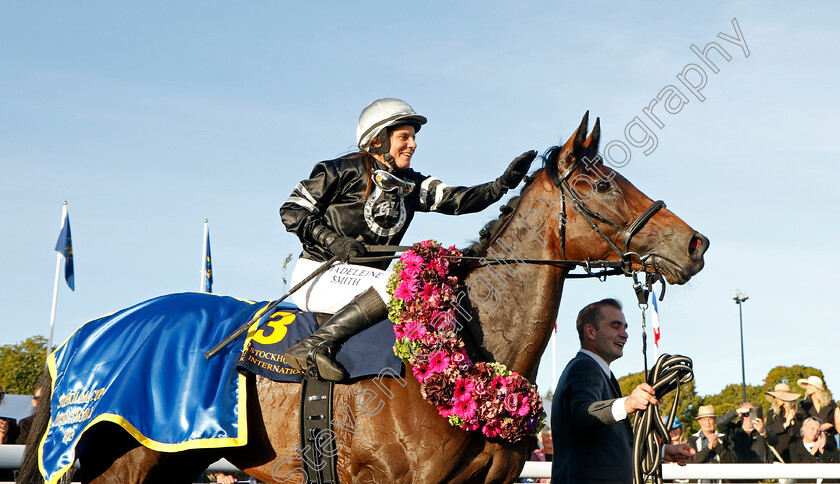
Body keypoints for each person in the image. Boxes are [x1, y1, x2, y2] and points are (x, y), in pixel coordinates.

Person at [280, 97, 537, 381]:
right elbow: (292, 210)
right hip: (318, 273)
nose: (412, 144)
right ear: (377, 139)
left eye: (413, 137)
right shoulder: (339, 170)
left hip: (363, 285)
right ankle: (312, 346)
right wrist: (333, 242)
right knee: (399, 286)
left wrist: (500, 185)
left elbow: (456, 199)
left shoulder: (412, 183)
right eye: (404, 137)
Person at [551, 298, 695, 483]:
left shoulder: (602, 373)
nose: (625, 334)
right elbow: (583, 414)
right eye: (615, 326)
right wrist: (627, 404)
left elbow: (611, 444)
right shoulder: (584, 367)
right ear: (590, 332)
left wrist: (663, 452)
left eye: (625, 327)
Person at [796, 375, 840, 453]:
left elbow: (837, 423)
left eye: (810, 385)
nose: (808, 387)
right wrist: (820, 428)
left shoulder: (830, 404)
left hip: (829, 443)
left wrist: (830, 428)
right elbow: (801, 426)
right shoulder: (803, 405)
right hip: (810, 444)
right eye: (807, 385)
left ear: (817, 387)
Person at [764, 382, 801, 462]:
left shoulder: (799, 412)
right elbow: (769, 429)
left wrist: (793, 420)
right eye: (775, 397)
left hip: (796, 454)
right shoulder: (772, 413)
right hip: (778, 454)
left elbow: (801, 431)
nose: (776, 399)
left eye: (778, 397)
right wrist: (785, 424)